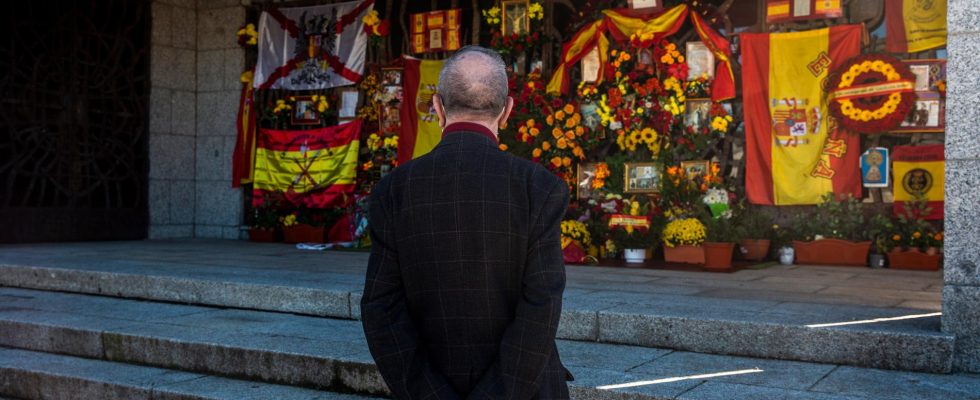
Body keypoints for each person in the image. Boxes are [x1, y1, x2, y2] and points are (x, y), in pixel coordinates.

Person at [361, 45, 571, 399]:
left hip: (428, 383)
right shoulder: (539, 187)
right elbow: (542, 306)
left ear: (437, 108)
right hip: (524, 389)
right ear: (506, 112)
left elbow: (381, 309)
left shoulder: (393, 189)